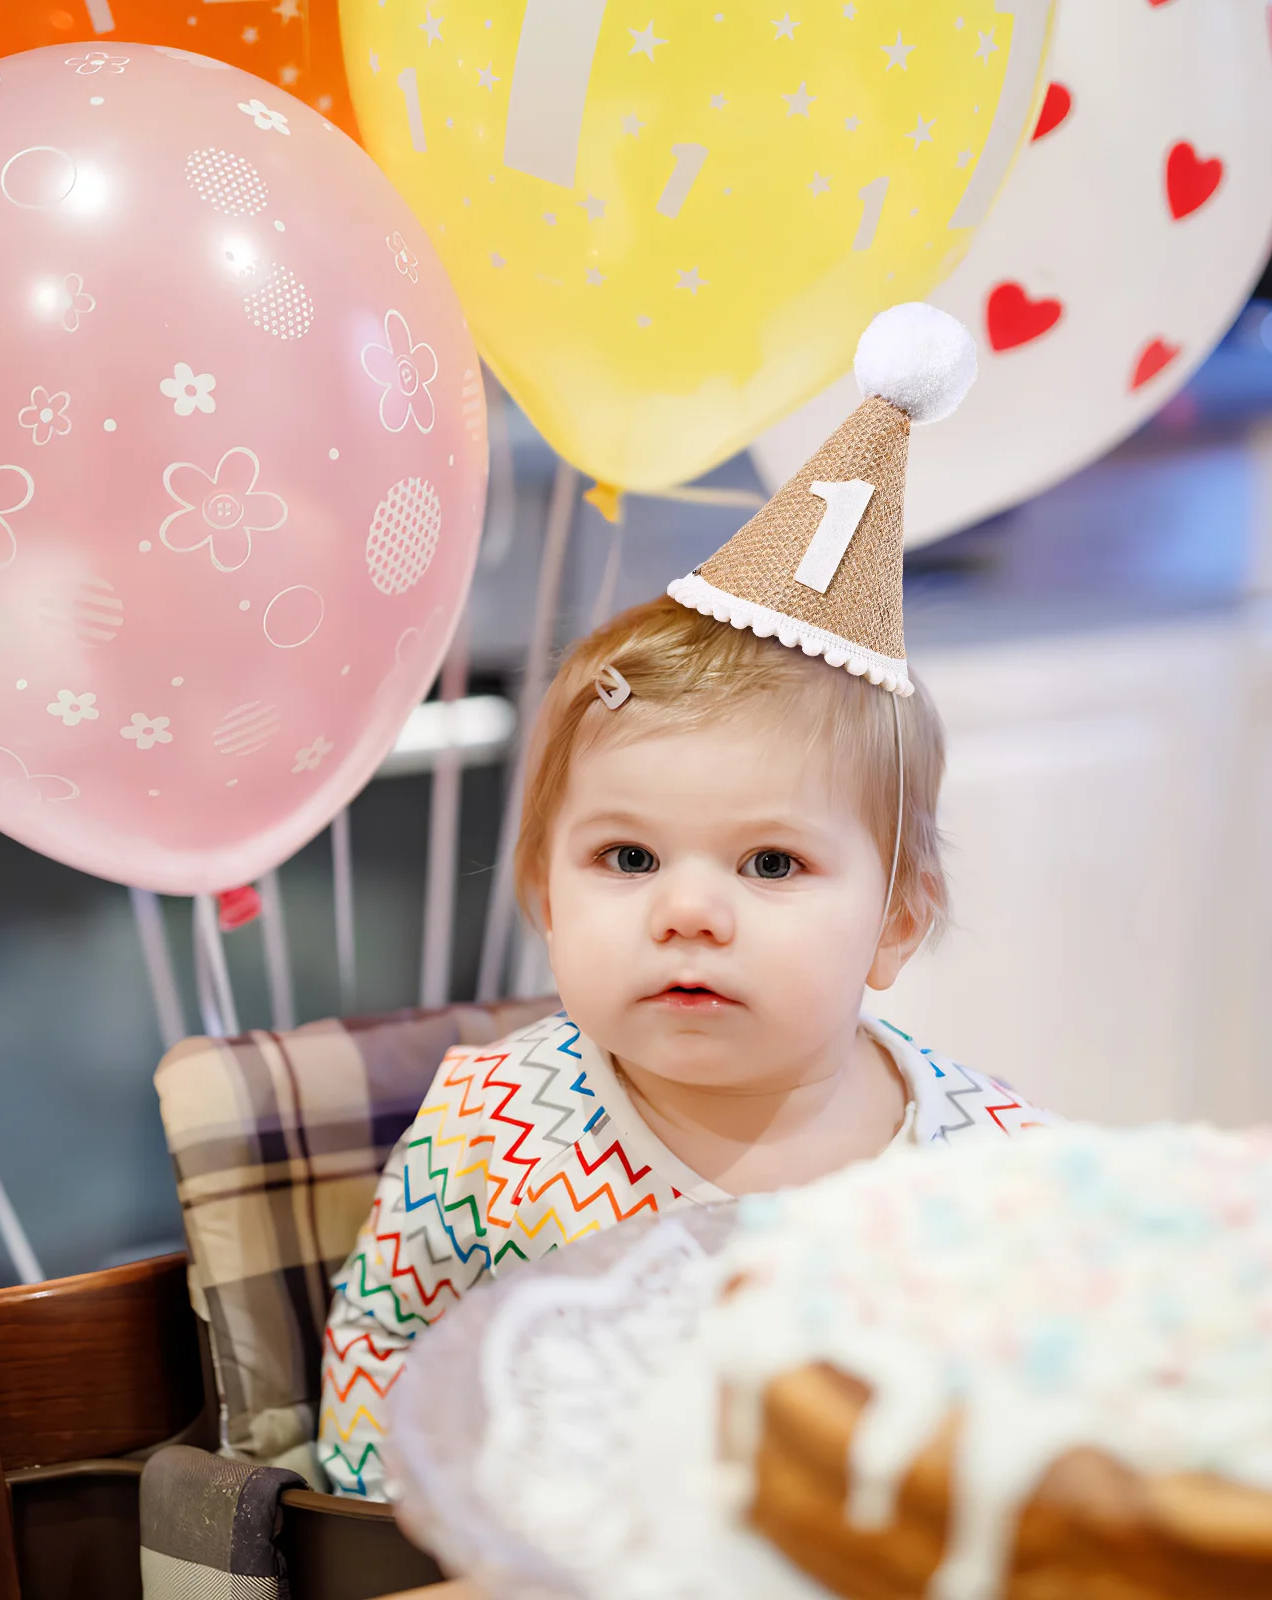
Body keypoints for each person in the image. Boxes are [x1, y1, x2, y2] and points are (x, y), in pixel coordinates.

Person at [318, 304, 1052, 1498]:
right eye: (627, 858)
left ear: (898, 923)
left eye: (769, 865)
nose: (688, 912)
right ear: (543, 892)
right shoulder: (492, 1138)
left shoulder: (994, 1170)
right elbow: (378, 1380)